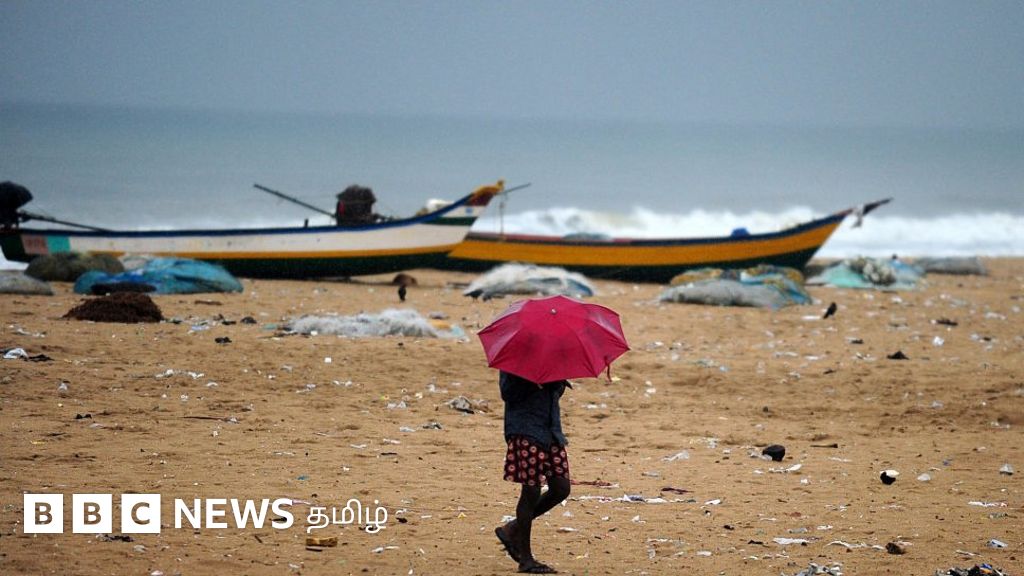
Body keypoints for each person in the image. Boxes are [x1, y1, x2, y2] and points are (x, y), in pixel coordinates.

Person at [494, 370, 571, 574]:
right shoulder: (516, 363)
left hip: (551, 431)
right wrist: (532, 380)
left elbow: (555, 393)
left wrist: (555, 381)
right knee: (530, 491)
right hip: (525, 429)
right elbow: (508, 393)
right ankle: (526, 560)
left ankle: (512, 528)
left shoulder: (551, 360)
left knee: (561, 488)